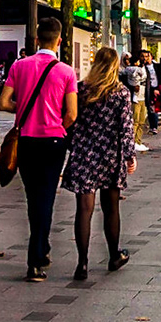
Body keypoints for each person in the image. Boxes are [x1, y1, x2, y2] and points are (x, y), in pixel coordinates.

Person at [0, 18, 79, 282]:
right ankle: (36, 258)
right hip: (53, 141)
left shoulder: (19, 66)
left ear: (36, 40)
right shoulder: (66, 72)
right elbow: (72, 113)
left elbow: (3, 102)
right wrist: (58, 123)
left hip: (26, 140)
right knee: (46, 198)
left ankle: (41, 249)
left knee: (34, 198)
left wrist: (21, 110)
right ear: (59, 41)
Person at [60, 46, 136, 279]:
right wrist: (129, 156)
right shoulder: (120, 93)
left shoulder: (81, 90)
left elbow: (70, 121)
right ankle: (114, 255)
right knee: (111, 208)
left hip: (84, 155)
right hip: (110, 156)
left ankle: (82, 264)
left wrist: (74, 146)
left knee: (84, 209)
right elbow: (125, 129)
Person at [119, 51, 148, 147]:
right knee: (135, 121)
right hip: (135, 97)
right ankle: (132, 141)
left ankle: (138, 140)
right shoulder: (126, 71)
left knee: (141, 121)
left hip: (142, 96)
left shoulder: (142, 69)